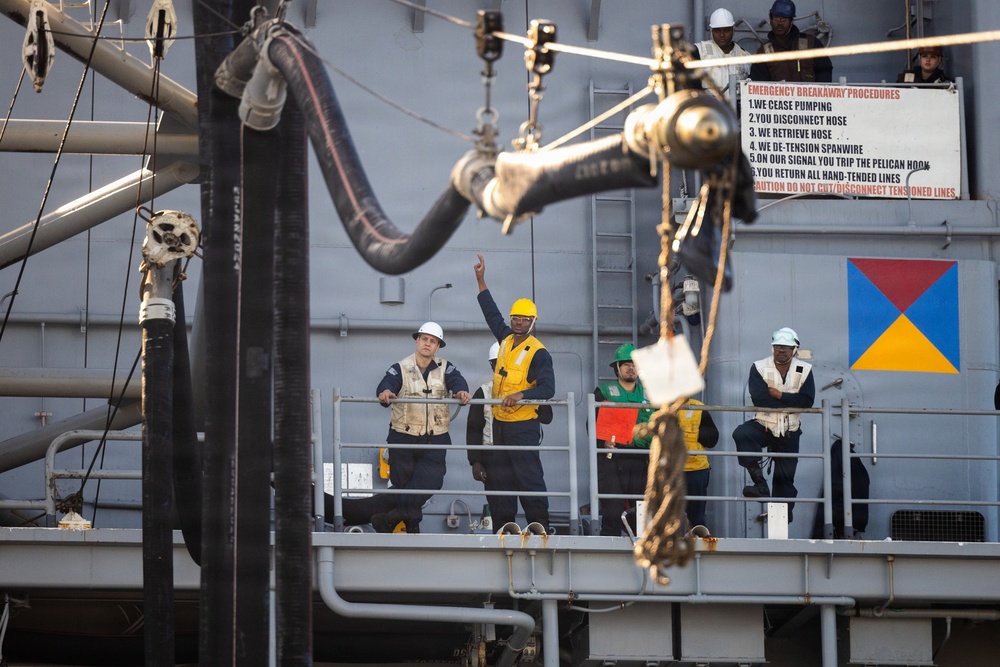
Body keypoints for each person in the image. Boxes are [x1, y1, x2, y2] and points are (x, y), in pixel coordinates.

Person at [472, 254, 555, 529]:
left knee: (529, 478)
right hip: (500, 426)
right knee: (502, 479)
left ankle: (538, 525)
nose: (518, 322)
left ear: (533, 322)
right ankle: (504, 526)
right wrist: (481, 280)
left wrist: (521, 395)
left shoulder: (539, 353)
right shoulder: (506, 340)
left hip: (524, 428)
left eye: (524, 319)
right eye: (515, 318)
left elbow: (548, 388)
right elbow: (490, 313)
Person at [373, 321, 470, 533]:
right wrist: (386, 393)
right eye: (424, 339)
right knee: (403, 483)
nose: (427, 344)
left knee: (432, 482)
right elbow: (386, 384)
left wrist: (461, 391)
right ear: (417, 341)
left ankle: (390, 519)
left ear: (437, 347)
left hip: (435, 437)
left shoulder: (446, 367)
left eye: (432, 341)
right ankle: (411, 524)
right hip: (403, 436)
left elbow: (458, 380)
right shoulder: (400, 367)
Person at [732, 327, 815, 521]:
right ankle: (759, 482)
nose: (781, 350)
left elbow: (807, 402)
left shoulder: (805, 370)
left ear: (795, 349)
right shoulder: (759, 367)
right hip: (764, 424)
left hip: (789, 431)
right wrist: (791, 401)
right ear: (772, 348)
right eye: (777, 346)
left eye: (786, 347)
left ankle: (783, 516)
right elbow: (760, 400)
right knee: (742, 433)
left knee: (785, 479)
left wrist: (779, 395)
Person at [593, 344, 654, 537]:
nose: (631, 368)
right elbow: (592, 423)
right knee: (612, 509)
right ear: (617, 368)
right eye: (626, 364)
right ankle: (608, 550)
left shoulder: (650, 393)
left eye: (634, 364)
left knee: (642, 510)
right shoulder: (604, 392)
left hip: (643, 459)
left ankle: (642, 551)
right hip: (613, 458)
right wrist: (602, 443)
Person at [749, 0, 832, 83]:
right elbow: (758, 85)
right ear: (770, 20)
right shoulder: (764, 52)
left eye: (784, 19)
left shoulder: (811, 43)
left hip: (810, 95)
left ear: (791, 21)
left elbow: (825, 72)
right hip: (778, 96)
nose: (780, 23)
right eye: (776, 19)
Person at [678, 398, 720, 530]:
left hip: (696, 469)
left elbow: (712, 439)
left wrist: (690, 433)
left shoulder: (698, 408)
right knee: (669, 514)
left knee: (696, 515)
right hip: (670, 470)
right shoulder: (661, 406)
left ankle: (698, 545)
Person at [691, 8, 751, 94]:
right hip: (709, 105)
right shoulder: (699, 52)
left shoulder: (746, 57)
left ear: (733, 30)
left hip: (736, 107)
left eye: (726, 30)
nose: (722, 35)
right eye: (717, 30)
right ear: (711, 31)